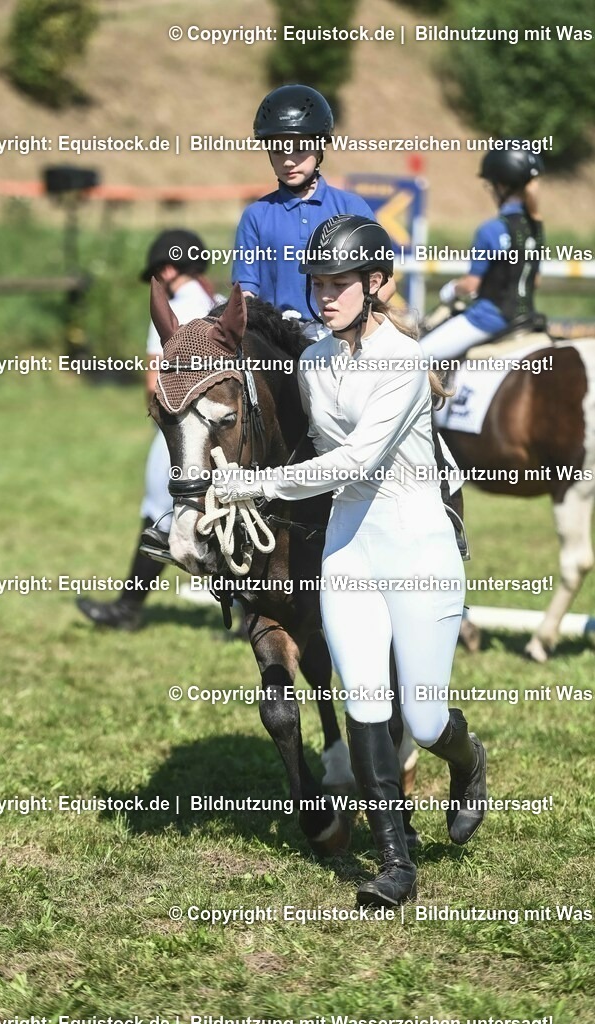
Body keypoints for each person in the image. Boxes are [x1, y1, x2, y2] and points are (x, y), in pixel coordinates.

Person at [214, 216, 487, 907]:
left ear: (376, 285)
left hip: (417, 542)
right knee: (363, 699)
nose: (324, 294)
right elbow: (304, 451)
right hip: (347, 549)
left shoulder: (402, 360)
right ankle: (394, 864)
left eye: (338, 283)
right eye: (317, 283)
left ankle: (468, 760)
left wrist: (256, 484)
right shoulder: (312, 363)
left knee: (423, 723)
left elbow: (356, 459)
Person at [76, 229, 220, 629]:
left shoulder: (169, 309)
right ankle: (249, 613)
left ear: (169, 269)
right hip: (223, 429)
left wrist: (158, 419)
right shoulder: (219, 305)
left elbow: (154, 379)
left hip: (179, 428)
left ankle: (127, 609)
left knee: (158, 510)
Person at [232, 84, 395, 320]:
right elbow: (245, 294)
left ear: (319, 149)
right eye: (278, 151)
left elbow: (385, 285)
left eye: (299, 149)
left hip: (339, 336)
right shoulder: (255, 216)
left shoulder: (352, 208)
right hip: (277, 341)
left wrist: (344, 324)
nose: (288, 161)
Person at [419, 149, 544, 364]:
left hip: (488, 318)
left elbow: (470, 285)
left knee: (416, 356)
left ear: (501, 186)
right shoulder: (535, 227)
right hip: (526, 317)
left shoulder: (491, 229)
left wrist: (450, 291)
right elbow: (536, 281)